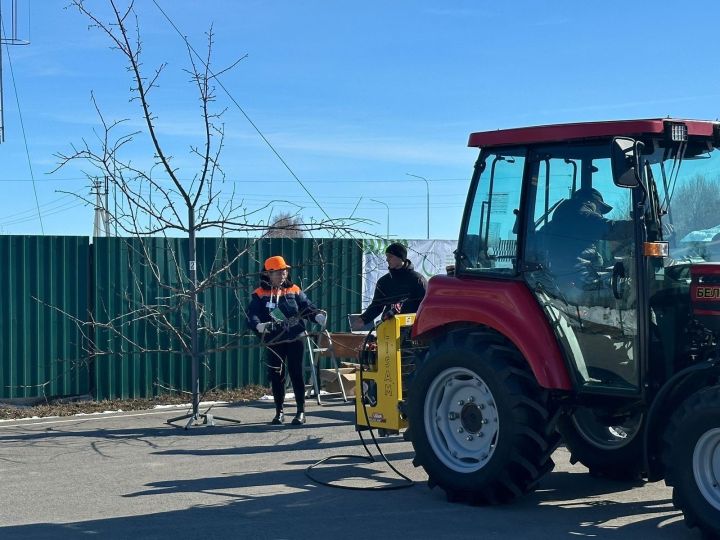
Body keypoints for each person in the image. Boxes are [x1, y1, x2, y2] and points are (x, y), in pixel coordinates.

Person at [247, 255, 326, 426]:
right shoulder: (259, 294)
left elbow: (307, 307)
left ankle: (300, 412)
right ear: (268, 273)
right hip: (274, 340)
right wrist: (258, 325)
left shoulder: (294, 290)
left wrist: (317, 316)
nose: (283, 274)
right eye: (278, 272)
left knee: (296, 373)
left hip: (295, 337)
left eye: (284, 271)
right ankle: (279, 412)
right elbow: (252, 314)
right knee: (276, 375)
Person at [546, 187, 633, 294]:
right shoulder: (581, 214)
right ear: (592, 202)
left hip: (564, 276)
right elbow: (611, 229)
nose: (600, 214)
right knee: (628, 288)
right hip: (580, 281)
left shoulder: (558, 220)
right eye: (600, 209)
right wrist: (637, 226)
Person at [351, 242, 427, 330]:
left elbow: (425, 307)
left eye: (390, 256)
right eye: (386, 256)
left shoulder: (418, 280)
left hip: (411, 331)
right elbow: (376, 306)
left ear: (400, 258)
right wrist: (363, 319)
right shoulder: (384, 282)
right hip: (388, 330)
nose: (387, 260)